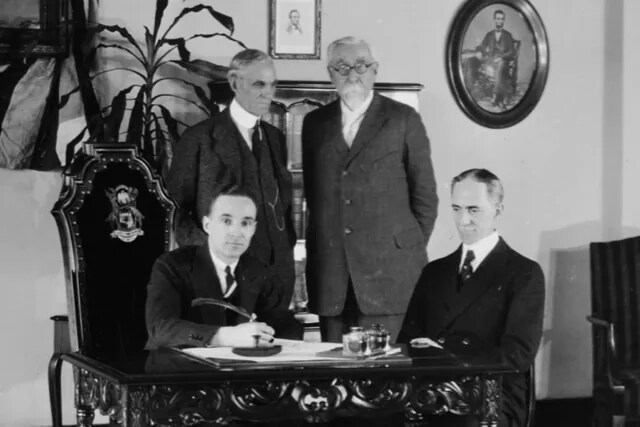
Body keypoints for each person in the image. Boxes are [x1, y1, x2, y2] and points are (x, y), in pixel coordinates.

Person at [301, 36, 438, 343]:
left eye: (361, 65)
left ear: (375, 70)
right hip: (332, 279)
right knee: (335, 369)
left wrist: (401, 251)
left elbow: (426, 198)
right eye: (342, 66)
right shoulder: (314, 124)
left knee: (387, 369)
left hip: (390, 280)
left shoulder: (403, 119)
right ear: (330, 73)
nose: (353, 74)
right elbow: (313, 197)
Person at [398, 168, 545, 427]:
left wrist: (446, 356)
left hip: (491, 394)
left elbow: (517, 356)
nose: (463, 220)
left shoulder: (523, 272)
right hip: (430, 390)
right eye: (456, 209)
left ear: (497, 210)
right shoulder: (434, 271)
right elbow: (407, 339)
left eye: (473, 210)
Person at [167, 49, 296, 310]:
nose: (268, 93)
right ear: (235, 83)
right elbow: (174, 212)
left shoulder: (275, 137)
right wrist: (215, 258)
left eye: (272, 85)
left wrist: (286, 251)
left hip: (277, 282)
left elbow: (282, 206)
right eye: (259, 84)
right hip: (223, 282)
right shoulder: (199, 139)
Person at [145, 187, 302, 349]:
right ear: (207, 225)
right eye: (227, 221)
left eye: (245, 223)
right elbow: (160, 329)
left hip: (239, 364)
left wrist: (275, 338)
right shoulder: (172, 265)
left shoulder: (260, 271)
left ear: (254, 229)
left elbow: (284, 324)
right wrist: (224, 337)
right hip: (174, 363)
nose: (236, 232)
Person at [463, 9, 516, 109]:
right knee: (470, 60)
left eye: (501, 19)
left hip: (503, 61)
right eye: (498, 19)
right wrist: (479, 51)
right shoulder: (489, 35)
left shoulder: (508, 35)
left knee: (500, 65)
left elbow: (512, 52)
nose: (499, 21)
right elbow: (482, 46)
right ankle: (470, 91)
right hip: (491, 60)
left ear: (503, 20)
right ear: (494, 20)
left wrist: (501, 57)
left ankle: (496, 95)